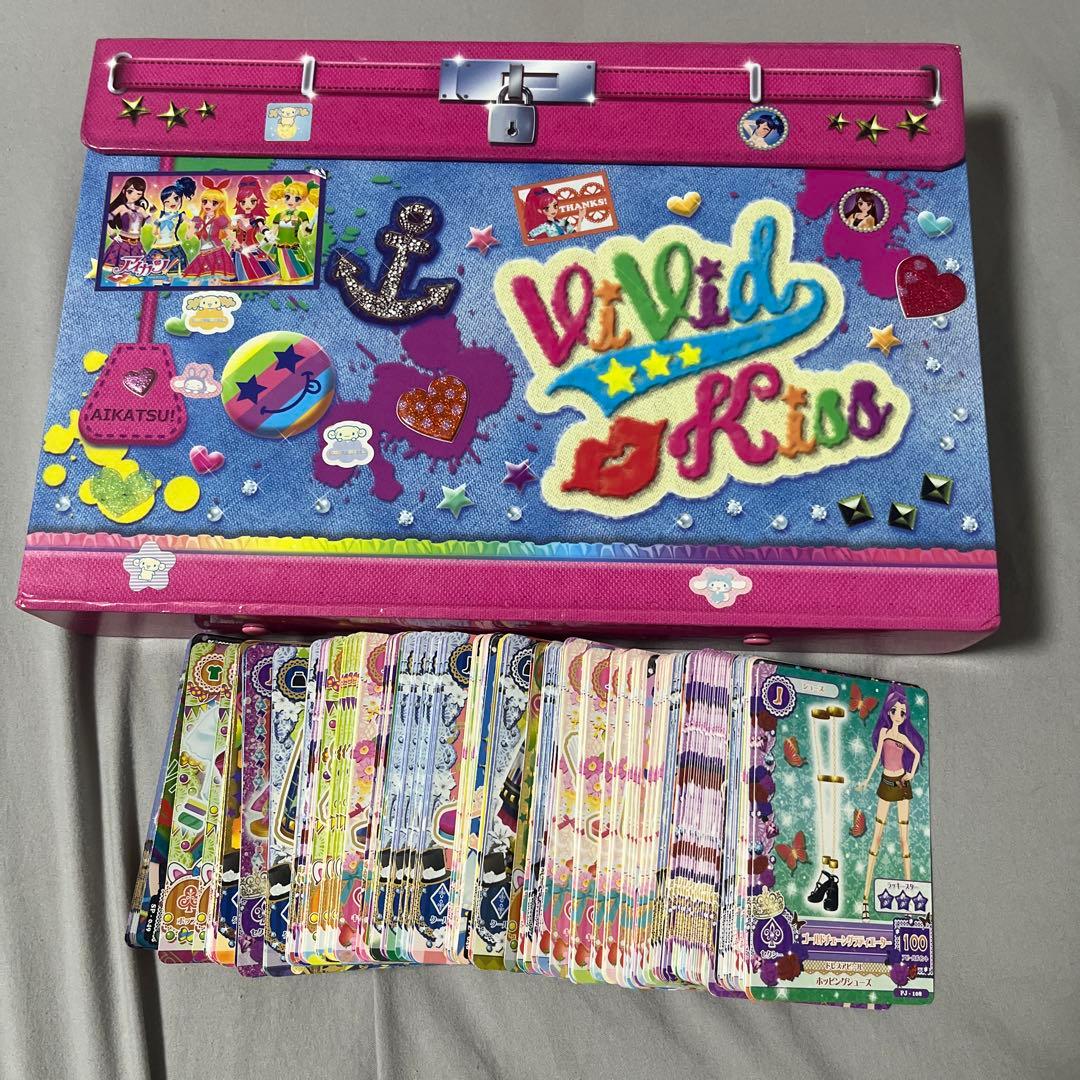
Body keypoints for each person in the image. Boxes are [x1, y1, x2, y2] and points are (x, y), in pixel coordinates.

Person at [855, 683, 924, 919]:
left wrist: (911, 773)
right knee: (876, 837)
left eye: (902, 712)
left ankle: (910, 904)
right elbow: (877, 759)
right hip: (885, 783)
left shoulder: (903, 737)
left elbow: (916, 754)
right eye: (894, 711)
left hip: (902, 784)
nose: (898, 715)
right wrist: (866, 781)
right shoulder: (885, 732)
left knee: (904, 841)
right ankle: (865, 900)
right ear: (888, 711)